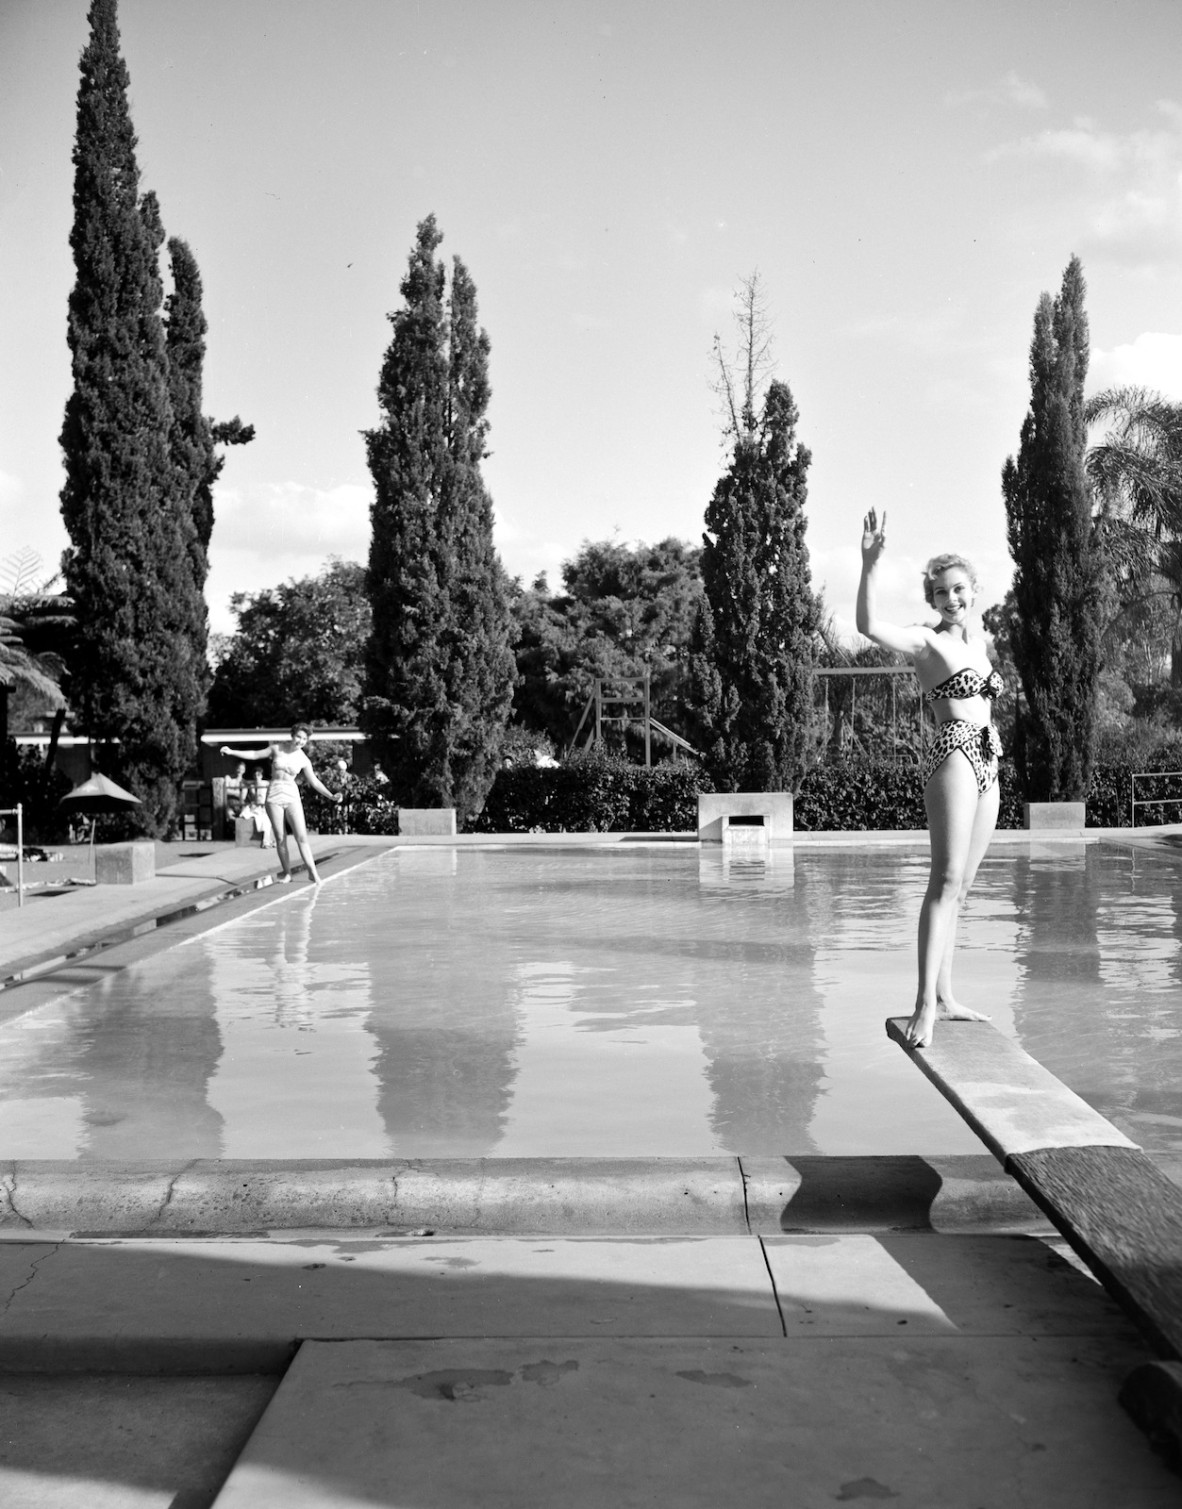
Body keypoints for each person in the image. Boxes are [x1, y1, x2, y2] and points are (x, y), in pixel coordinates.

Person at [856, 509, 1002, 1048]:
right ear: (932, 600)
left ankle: (946, 996)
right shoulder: (927, 643)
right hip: (956, 756)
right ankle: (923, 1006)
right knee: (943, 881)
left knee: (962, 888)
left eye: (959, 589)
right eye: (940, 593)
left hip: (990, 759)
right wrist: (870, 563)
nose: (951, 599)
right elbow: (869, 627)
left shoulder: (980, 646)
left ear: (973, 590)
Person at [218, 724, 342, 884]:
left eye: (304, 739)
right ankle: (287, 872)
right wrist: (232, 752)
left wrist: (331, 796)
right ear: (292, 735)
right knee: (280, 837)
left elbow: (315, 782)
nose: (300, 741)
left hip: (291, 795)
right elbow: (255, 754)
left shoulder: (303, 759)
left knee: (301, 836)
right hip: (274, 795)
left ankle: (313, 872)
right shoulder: (277, 749)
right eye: (299, 737)